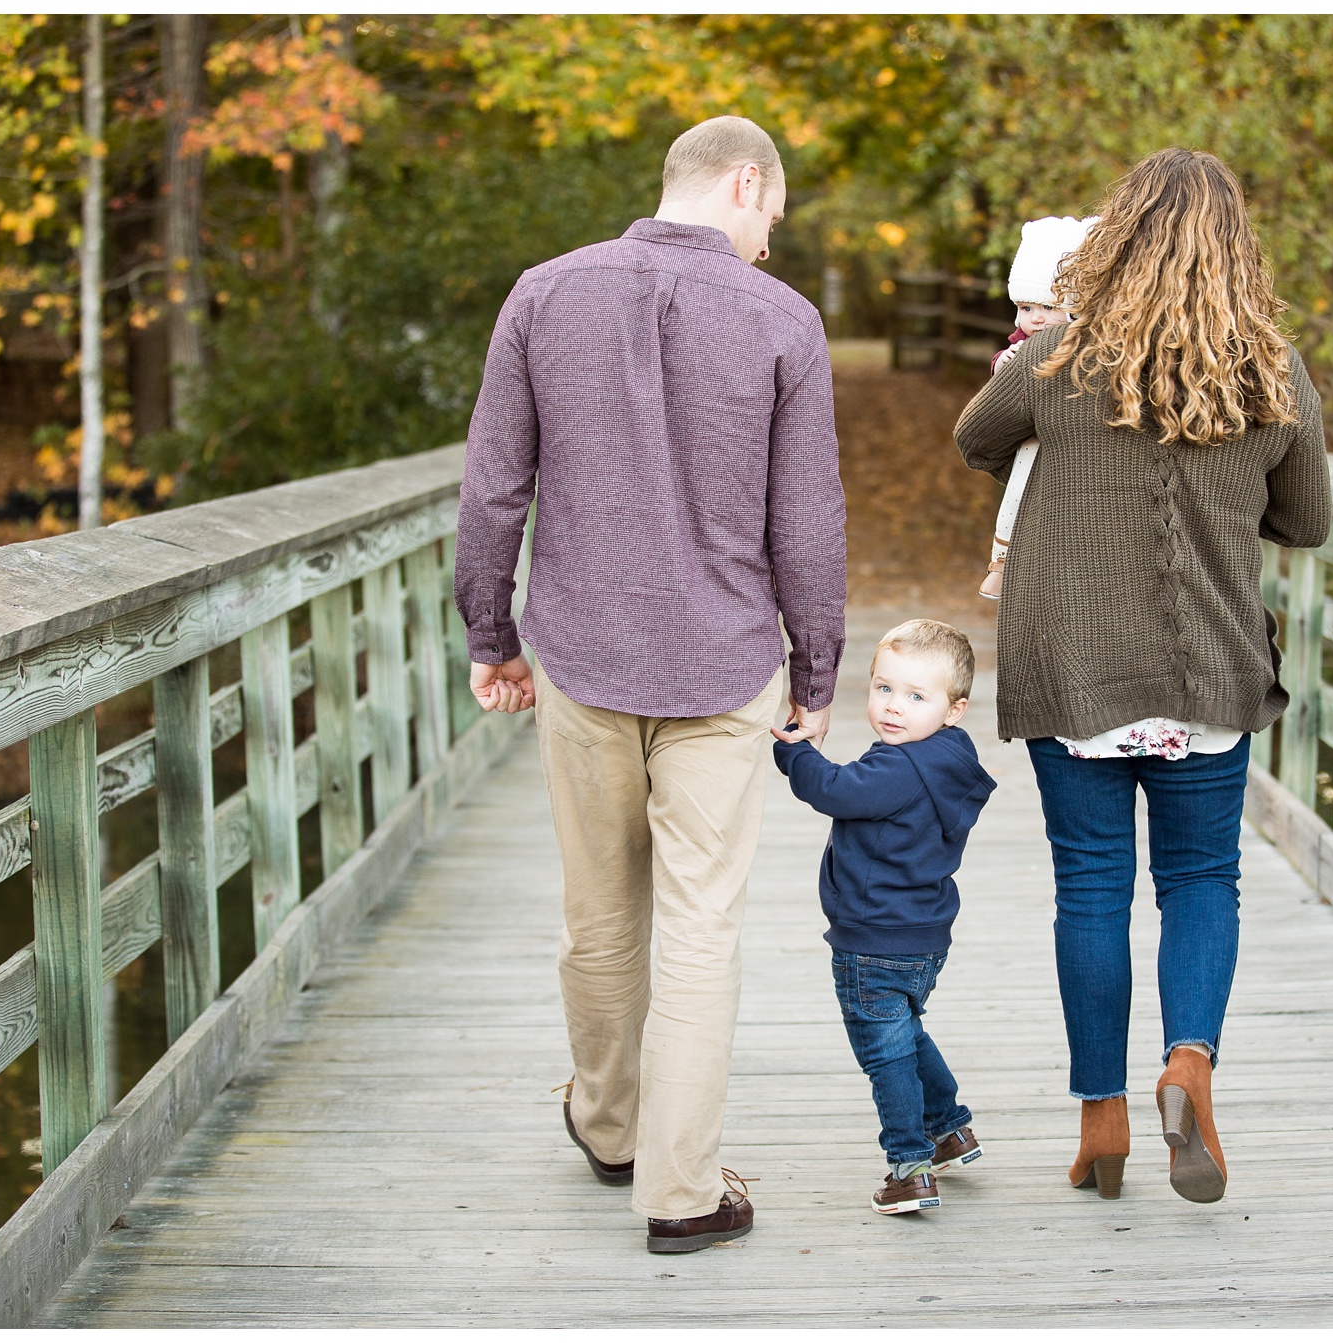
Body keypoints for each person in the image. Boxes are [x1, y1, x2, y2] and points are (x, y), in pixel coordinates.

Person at [453, 115, 847, 1254]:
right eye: (772, 209)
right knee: (700, 925)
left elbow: (492, 489)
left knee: (598, 914)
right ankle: (678, 1189)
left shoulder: (542, 294)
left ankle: (610, 1124)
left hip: (581, 651)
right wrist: (816, 667)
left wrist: (492, 633)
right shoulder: (784, 322)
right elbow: (805, 519)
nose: (770, 236)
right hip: (724, 666)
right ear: (741, 180)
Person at [954, 148, 1331, 1205]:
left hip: (1073, 663)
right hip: (1207, 668)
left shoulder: (1061, 357)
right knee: (1200, 879)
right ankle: (1188, 1065)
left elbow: (975, 435)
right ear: (1235, 246)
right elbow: (1304, 519)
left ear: (1113, 237)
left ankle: (1101, 1123)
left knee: (1090, 887)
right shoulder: (1273, 369)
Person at [772, 619, 996, 1215]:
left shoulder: (898, 768)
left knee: (883, 1050)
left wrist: (793, 754)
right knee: (904, 1032)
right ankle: (948, 1127)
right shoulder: (951, 756)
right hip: (925, 934)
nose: (894, 708)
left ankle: (909, 1163)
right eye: (883, 689)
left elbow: (838, 791)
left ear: (955, 708)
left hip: (873, 936)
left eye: (916, 697)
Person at [978, 214, 1097, 602]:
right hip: (1029, 432)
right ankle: (1001, 560)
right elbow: (1001, 369)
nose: (1035, 318)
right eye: (1026, 307)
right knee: (1017, 491)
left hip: (1069, 433)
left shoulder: (1086, 342)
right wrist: (1003, 363)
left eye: (1047, 306)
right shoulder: (1023, 341)